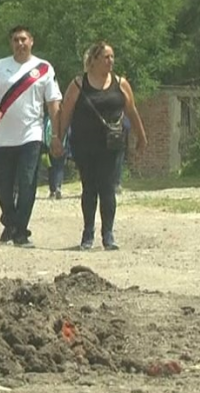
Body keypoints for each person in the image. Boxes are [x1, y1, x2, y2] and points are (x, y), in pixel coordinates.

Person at [0, 25, 63, 248]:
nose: (20, 44)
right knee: (3, 186)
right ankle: (10, 221)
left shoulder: (44, 69)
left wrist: (56, 135)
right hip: (3, 137)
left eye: (24, 39)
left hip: (31, 135)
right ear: (11, 43)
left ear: (32, 41)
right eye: (16, 40)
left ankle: (20, 232)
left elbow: (53, 103)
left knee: (27, 183)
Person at [59, 41, 147, 250]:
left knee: (108, 188)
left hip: (112, 144)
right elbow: (66, 112)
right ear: (94, 60)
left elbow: (131, 111)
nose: (111, 61)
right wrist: (58, 138)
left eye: (112, 57)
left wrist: (141, 136)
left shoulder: (120, 83)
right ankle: (87, 233)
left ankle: (108, 234)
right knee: (89, 188)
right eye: (106, 57)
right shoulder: (79, 84)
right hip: (84, 145)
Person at [44, 113, 67, 199]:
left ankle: (53, 190)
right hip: (61, 146)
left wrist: (46, 146)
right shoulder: (63, 120)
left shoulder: (47, 120)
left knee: (52, 168)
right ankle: (58, 187)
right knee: (59, 168)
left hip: (50, 147)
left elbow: (44, 133)